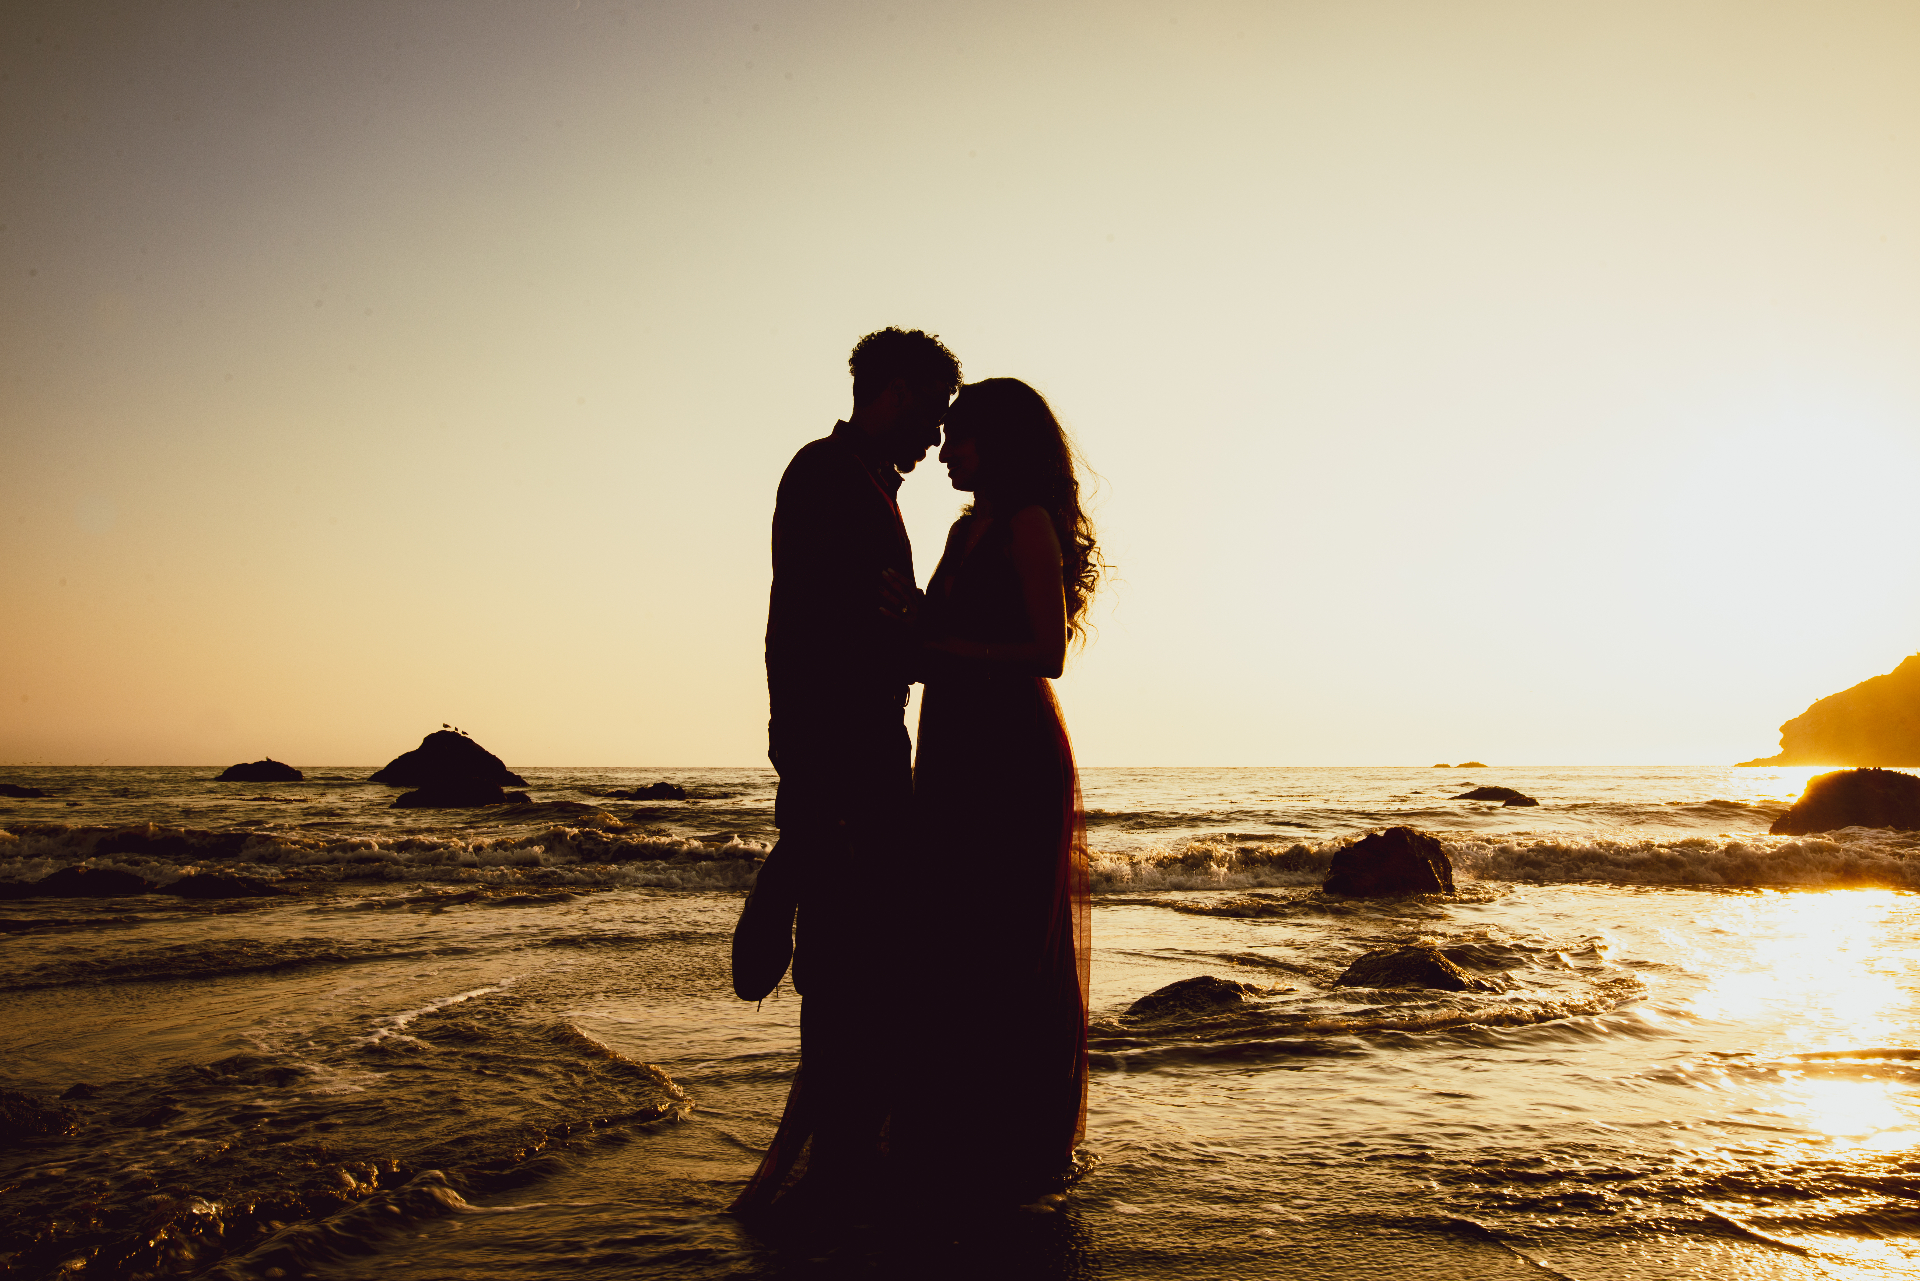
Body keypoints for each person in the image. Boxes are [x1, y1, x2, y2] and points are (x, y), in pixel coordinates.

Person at [730, 327, 962, 1216]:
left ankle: (842, 1147)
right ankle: (836, 1164)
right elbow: (817, 636)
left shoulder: (857, 481)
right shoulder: (831, 478)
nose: (938, 439)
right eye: (933, 414)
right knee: (849, 962)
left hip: (852, 751)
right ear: (895, 391)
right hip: (846, 756)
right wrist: (818, 778)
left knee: (863, 958)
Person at [889, 377, 1099, 1211]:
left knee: (1006, 944)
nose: (944, 452)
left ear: (999, 443)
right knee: (951, 938)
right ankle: (962, 1141)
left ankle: (1016, 1153)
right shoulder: (962, 529)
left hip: (1010, 756)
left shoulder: (1026, 525)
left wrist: (935, 647)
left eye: (960, 439)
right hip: (953, 754)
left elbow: (1047, 653)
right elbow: (932, 634)